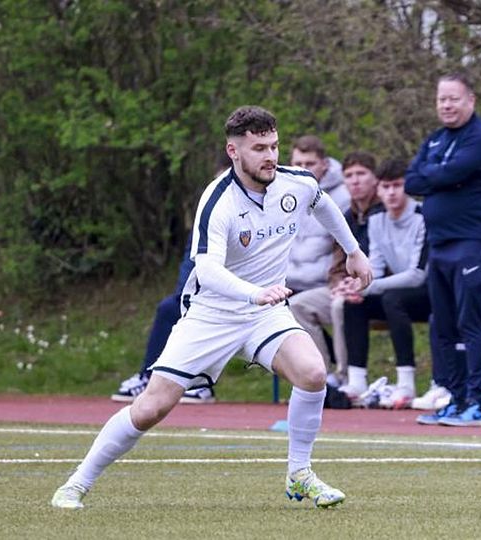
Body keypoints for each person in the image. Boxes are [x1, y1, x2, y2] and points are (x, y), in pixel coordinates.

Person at [51, 105, 372, 510]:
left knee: (311, 374)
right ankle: (76, 484)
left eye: (273, 145)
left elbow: (323, 204)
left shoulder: (297, 183)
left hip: (263, 313)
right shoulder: (217, 200)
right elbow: (207, 268)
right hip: (213, 313)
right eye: (259, 148)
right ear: (234, 151)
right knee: (152, 407)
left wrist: (354, 251)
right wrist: (253, 293)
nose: (270, 156)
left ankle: (300, 474)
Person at [405, 72, 481, 427]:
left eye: (453, 98)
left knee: (470, 323)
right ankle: (454, 398)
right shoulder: (435, 140)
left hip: (473, 243)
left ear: (470, 101)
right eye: (441, 99)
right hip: (439, 244)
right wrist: (440, 174)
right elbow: (412, 180)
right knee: (442, 326)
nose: (446, 105)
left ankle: (477, 403)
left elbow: (444, 175)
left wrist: (439, 176)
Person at [110, 152, 234, 404]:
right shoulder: (209, 208)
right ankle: (148, 377)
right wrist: (186, 294)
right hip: (207, 292)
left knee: (213, 316)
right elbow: (192, 257)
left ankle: (201, 383)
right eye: (218, 179)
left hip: (246, 295)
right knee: (171, 307)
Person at [339, 159, 430, 407]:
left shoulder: (423, 216)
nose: (391, 193)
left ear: (407, 187)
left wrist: (371, 286)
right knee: (354, 303)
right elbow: (375, 267)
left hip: (428, 294)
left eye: (397, 186)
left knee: (392, 299)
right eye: (386, 187)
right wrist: (358, 287)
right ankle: (356, 381)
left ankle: (406, 384)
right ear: (378, 189)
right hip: (395, 292)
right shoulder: (377, 219)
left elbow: (417, 275)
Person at [290, 151, 383, 388]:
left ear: (375, 179)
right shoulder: (347, 217)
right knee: (298, 305)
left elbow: (388, 264)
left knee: (341, 304)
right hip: (345, 287)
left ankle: (345, 377)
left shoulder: (385, 213)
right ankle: (320, 374)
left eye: (361, 174)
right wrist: (337, 283)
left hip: (380, 290)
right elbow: (337, 263)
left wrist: (359, 284)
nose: (355, 180)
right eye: (349, 175)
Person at [285, 135, 351, 382]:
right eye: (297, 163)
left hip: (322, 281)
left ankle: (320, 378)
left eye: (309, 164)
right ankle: (199, 382)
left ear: (324, 164)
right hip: (288, 280)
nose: (302, 170)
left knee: (297, 306)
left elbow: (343, 250)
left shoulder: (342, 196)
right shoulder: (281, 190)